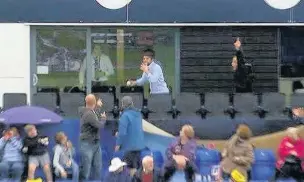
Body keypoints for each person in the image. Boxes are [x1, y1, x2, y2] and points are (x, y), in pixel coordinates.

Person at [79, 94, 106, 180]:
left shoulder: (90, 111)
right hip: (87, 144)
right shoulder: (88, 114)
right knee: (86, 171)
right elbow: (99, 125)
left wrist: (97, 106)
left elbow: (95, 114)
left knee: (98, 167)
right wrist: (104, 119)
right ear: (94, 102)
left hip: (96, 144)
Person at [115, 96, 145, 171]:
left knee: (129, 170)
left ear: (123, 105)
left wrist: (117, 145)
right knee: (136, 168)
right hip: (139, 146)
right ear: (132, 103)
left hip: (129, 147)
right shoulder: (139, 114)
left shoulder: (125, 116)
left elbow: (122, 133)